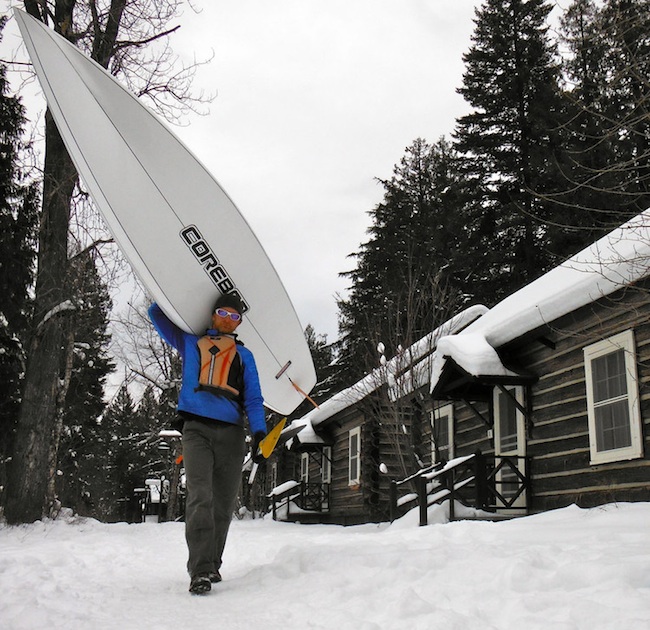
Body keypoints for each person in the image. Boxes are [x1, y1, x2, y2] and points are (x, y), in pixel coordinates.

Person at [149, 294, 266, 595]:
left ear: (239, 322)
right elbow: (156, 315)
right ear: (213, 316)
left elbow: (253, 398)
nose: (228, 320)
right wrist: (168, 289)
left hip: (232, 434)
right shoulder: (190, 343)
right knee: (200, 496)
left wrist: (261, 433)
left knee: (223, 504)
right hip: (196, 429)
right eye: (223, 313)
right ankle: (199, 570)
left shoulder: (245, 356)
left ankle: (212, 564)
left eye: (235, 317)